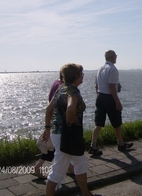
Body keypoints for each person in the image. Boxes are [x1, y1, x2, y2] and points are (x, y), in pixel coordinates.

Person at [42, 63, 100, 196]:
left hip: (58, 133)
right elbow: (71, 108)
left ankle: (87, 194)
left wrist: (47, 128)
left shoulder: (61, 88)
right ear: (76, 76)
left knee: (80, 164)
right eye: (82, 74)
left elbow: (49, 109)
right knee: (58, 170)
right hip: (67, 136)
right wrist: (69, 124)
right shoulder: (73, 92)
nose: (83, 76)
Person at [88, 50, 133, 155]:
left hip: (100, 96)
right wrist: (117, 102)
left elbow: (96, 86)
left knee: (98, 123)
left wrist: (99, 96)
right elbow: (112, 86)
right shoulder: (113, 69)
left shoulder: (99, 69)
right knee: (117, 122)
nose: (116, 57)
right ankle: (121, 144)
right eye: (116, 56)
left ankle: (93, 145)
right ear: (112, 57)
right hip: (109, 98)